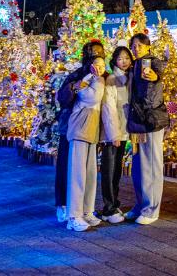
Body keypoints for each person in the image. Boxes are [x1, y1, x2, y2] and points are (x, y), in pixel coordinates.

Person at [65, 51, 123, 232]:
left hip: (93, 133)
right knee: (77, 175)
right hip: (80, 130)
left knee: (90, 174)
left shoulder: (100, 81)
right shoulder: (90, 79)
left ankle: (87, 211)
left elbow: (105, 109)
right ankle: (74, 216)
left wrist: (113, 135)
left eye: (101, 65)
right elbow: (92, 97)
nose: (98, 68)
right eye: (95, 65)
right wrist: (92, 78)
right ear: (89, 66)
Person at [54, 40, 104, 223]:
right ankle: (63, 205)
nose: (94, 57)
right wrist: (74, 88)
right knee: (66, 167)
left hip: (93, 129)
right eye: (90, 54)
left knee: (89, 170)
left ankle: (85, 210)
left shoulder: (104, 75)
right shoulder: (77, 75)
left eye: (98, 54)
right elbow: (62, 97)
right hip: (71, 127)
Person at [126, 33, 169, 225]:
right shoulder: (133, 65)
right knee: (139, 166)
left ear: (148, 47)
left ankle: (152, 209)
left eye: (140, 46)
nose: (136, 49)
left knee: (151, 164)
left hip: (151, 120)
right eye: (133, 46)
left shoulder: (153, 62)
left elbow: (160, 71)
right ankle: (141, 204)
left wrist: (155, 76)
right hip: (137, 121)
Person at [99, 46, 134, 223]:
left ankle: (114, 204)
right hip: (112, 135)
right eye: (120, 59)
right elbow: (108, 107)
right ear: (114, 61)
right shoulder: (112, 79)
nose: (124, 61)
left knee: (116, 171)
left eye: (127, 58)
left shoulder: (129, 79)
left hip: (123, 132)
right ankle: (108, 208)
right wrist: (114, 134)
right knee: (109, 170)